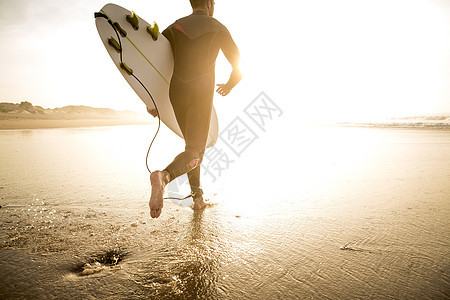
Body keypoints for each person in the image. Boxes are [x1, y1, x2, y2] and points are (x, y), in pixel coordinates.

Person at [148, 0, 242, 218]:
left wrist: (153, 101)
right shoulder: (218, 27)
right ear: (210, 3)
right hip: (201, 92)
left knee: (192, 148)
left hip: (176, 91)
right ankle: (164, 176)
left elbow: (155, 63)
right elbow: (238, 69)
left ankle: (197, 199)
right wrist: (228, 86)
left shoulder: (174, 27)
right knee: (195, 152)